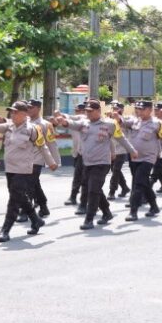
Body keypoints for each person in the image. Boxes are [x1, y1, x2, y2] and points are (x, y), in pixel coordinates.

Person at [0, 101, 57, 242]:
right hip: (10, 168)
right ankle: (35, 219)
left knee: (14, 199)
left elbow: (42, 146)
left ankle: (5, 230)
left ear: (24, 114)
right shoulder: (9, 126)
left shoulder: (33, 129)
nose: (12, 114)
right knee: (19, 196)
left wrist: (51, 162)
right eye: (11, 112)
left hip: (24, 169)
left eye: (15, 112)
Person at [55, 99, 136, 230]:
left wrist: (132, 151)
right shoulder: (83, 123)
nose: (88, 114)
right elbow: (70, 124)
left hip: (102, 163)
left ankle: (89, 219)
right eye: (87, 111)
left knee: (93, 190)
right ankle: (107, 212)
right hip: (87, 163)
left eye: (91, 111)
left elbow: (121, 138)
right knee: (94, 189)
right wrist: (62, 121)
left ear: (98, 111)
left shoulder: (109, 124)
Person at [113, 100, 162, 221]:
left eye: (142, 109)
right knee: (143, 183)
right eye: (138, 109)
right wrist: (118, 118)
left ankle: (133, 211)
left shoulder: (157, 124)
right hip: (134, 157)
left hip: (148, 158)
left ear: (150, 110)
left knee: (138, 183)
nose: (139, 111)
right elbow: (123, 123)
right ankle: (154, 206)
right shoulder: (135, 120)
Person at [26, 99, 62, 217]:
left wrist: (55, 161)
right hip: (26, 158)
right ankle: (43, 206)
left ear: (38, 108)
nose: (28, 109)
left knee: (29, 184)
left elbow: (51, 143)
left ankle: (26, 211)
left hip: (38, 157)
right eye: (27, 107)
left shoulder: (46, 124)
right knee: (34, 183)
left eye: (31, 107)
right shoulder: (25, 122)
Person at [63, 103, 87, 214]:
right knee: (78, 176)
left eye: (79, 111)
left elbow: (78, 117)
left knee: (81, 177)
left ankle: (77, 198)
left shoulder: (85, 121)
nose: (77, 113)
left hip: (86, 154)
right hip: (77, 153)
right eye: (76, 111)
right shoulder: (74, 123)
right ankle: (76, 197)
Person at [108, 100, 132, 200]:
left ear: (122, 110)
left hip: (122, 149)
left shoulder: (126, 119)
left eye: (117, 109)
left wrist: (118, 118)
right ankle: (125, 188)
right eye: (113, 109)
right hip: (112, 149)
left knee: (116, 170)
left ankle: (112, 191)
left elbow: (126, 123)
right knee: (114, 170)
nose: (115, 111)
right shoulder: (109, 120)